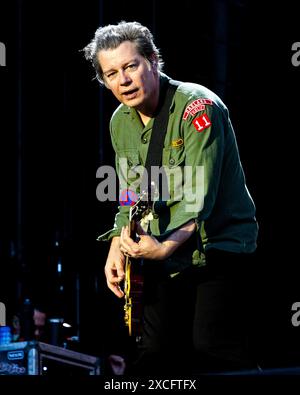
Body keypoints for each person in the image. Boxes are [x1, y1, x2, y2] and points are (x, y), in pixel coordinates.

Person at [84, 21, 259, 375]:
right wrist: (117, 244)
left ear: (153, 60)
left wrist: (164, 247)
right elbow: (131, 190)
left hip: (218, 246)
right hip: (163, 250)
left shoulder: (198, 106)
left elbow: (200, 195)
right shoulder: (120, 121)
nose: (124, 80)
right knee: (157, 354)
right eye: (112, 73)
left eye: (131, 66)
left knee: (212, 348)